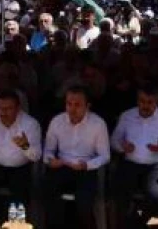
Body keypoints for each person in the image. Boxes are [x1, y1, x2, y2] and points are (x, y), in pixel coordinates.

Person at [111, 84, 158, 229]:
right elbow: (114, 140)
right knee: (118, 191)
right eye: (142, 101)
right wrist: (122, 146)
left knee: (157, 196)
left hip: (156, 164)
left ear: (157, 101)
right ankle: (131, 223)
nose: (145, 106)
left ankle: (137, 223)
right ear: (137, 100)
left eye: (150, 102)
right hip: (131, 162)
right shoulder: (127, 116)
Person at [43, 86, 111, 229]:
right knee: (47, 193)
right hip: (61, 166)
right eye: (69, 104)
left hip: (85, 168)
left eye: (77, 105)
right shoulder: (57, 121)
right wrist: (50, 160)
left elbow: (105, 156)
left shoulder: (98, 124)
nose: (72, 109)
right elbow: (48, 151)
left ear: (88, 106)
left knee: (84, 202)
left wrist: (87, 165)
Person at [0, 89, 42, 224]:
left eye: (8, 108)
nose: (3, 112)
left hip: (20, 167)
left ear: (18, 108)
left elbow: (36, 156)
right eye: (0, 108)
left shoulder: (31, 124)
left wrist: (25, 146)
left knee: (20, 199)